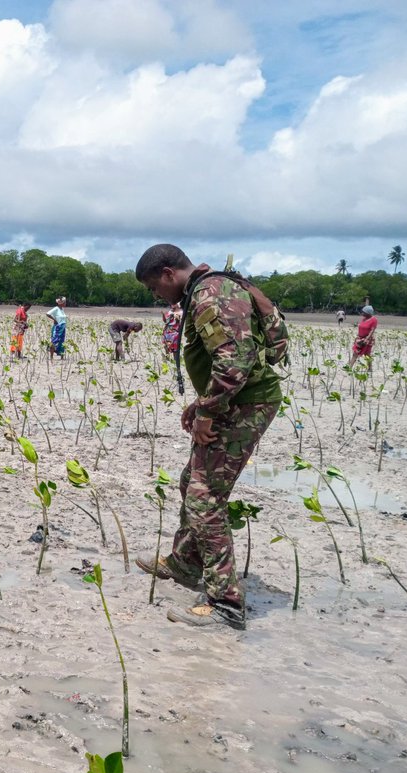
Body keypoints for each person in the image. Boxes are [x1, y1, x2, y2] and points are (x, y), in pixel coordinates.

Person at [133, 243, 285, 631]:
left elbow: (235, 363)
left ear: (168, 274)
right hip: (237, 400)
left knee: (205, 498)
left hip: (245, 405)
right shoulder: (210, 287)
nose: (156, 296)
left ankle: (226, 605)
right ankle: (185, 563)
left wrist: (208, 410)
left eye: (155, 288)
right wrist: (200, 404)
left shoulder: (208, 295)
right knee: (192, 482)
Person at [349, 304, 378, 370]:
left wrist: (366, 339)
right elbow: (361, 327)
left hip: (367, 339)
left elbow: (372, 330)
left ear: (368, 313)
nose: (362, 313)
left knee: (366, 354)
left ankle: (369, 368)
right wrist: (357, 337)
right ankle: (350, 368)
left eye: (364, 312)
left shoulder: (374, 320)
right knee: (357, 353)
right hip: (360, 338)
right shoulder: (364, 319)